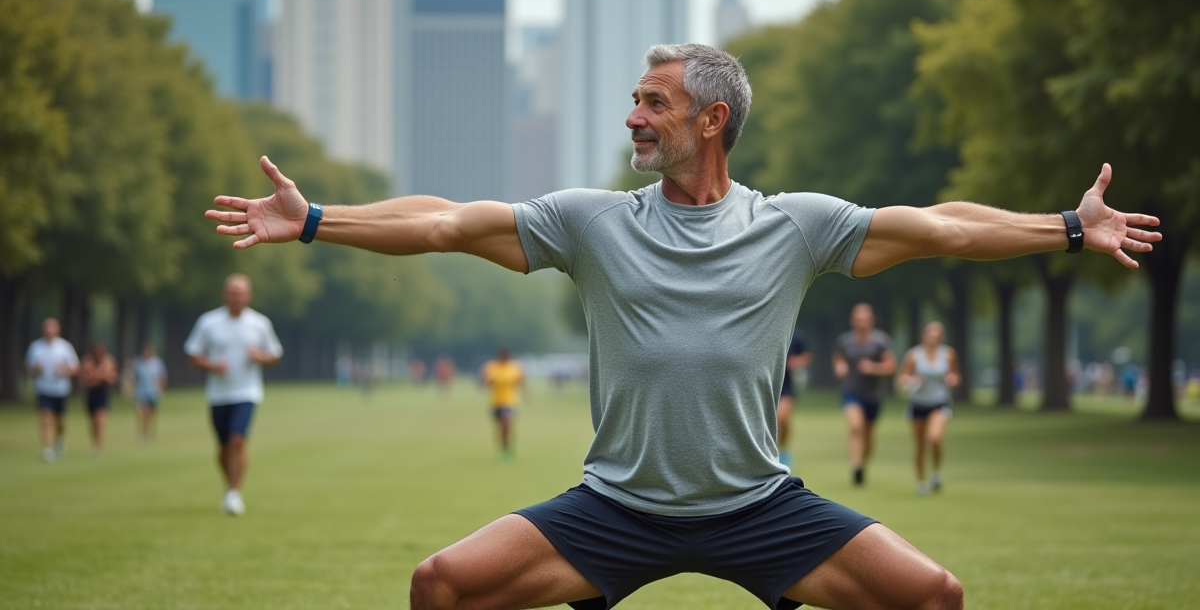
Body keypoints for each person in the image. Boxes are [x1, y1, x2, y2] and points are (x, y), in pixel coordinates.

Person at [205, 43, 1159, 610]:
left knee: (933, 596)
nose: (631, 118)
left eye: (650, 103)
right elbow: (452, 221)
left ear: (710, 120)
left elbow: (944, 227)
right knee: (441, 587)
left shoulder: (795, 224)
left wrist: (1072, 228)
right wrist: (319, 220)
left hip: (762, 508)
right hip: (614, 509)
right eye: (633, 102)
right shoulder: (593, 220)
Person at [184, 273, 283, 516]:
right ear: (224, 294)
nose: (237, 296)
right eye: (232, 292)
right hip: (218, 394)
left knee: (237, 440)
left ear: (249, 295)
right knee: (223, 448)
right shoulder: (209, 322)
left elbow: (275, 354)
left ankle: (234, 493)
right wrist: (211, 366)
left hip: (247, 391)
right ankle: (230, 486)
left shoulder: (259, 323)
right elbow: (193, 353)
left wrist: (260, 357)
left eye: (241, 292)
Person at [832, 303, 896, 486]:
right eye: (858, 319)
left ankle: (862, 465)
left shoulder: (881, 341)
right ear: (852, 320)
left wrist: (873, 367)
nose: (861, 323)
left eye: (865, 319)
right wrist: (840, 366)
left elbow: (891, 366)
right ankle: (855, 465)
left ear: (872, 320)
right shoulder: (845, 340)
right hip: (851, 391)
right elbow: (838, 357)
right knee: (856, 427)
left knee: (868, 434)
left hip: (873, 394)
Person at [898, 321, 961, 496]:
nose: (933, 339)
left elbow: (955, 375)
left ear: (941, 338)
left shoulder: (948, 354)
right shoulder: (914, 355)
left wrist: (952, 379)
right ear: (923, 336)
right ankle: (921, 482)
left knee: (935, 438)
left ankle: (936, 473)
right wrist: (911, 381)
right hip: (917, 403)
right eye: (930, 335)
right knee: (919, 445)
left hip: (939, 402)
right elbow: (902, 378)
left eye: (937, 336)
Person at [24, 317, 80, 462]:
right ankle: (47, 449)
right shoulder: (36, 347)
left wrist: (64, 369)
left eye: (52, 328)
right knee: (45, 418)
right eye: (47, 329)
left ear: (57, 330)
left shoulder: (64, 347)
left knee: (60, 421)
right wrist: (37, 368)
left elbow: (75, 368)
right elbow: (28, 367)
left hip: (60, 389)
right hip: (43, 388)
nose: (49, 332)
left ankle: (59, 440)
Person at [776, 327, 812, 468]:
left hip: (786, 386)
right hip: (766, 385)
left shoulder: (795, 334)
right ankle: (770, 454)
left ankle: (784, 451)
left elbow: (807, 357)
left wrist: (796, 362)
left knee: (782, 418)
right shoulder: (763, 329)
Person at [481, 348, 525, 461]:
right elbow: (486, 382)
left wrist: (526, 392)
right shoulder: (492, 367)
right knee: (500, 428)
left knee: (507, 424)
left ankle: (508, 449)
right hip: (496, 402)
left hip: (510, 401)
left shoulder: (514, 367)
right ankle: (503, 449)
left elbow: (520, 381)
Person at [79, 341, 118, 456]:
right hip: (91, 394)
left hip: (103, 393)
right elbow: (84, 380)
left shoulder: (109, 361)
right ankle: (94, 443)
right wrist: (97, 378)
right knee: (92, 422)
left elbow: (112, 378)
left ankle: (99, 447)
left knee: (100, 420)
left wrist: (101, 377)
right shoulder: (87, 362)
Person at [133, 342, 168, 443]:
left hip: (153, 392)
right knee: (142, 413)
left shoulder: (157, 362)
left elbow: (162, 377)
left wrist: (160, 388)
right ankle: (142, 434)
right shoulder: (138, 362)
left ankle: (149, 432)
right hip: (141, 392)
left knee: (151, 414)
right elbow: (134, 377)